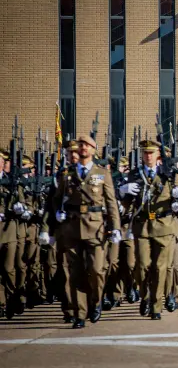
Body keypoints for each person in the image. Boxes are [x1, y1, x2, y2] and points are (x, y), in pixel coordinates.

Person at [51, 135, 121, 329]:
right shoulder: (68, 173)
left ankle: (95, 301)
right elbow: (57, 198)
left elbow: (111, 203)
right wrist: (57, 213)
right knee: (75, 273)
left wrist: (115, 227)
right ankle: (80, 314)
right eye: (80, 145)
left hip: (95, 228)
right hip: (72, 227)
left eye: (87, 146)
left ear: (93, 150)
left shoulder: (102, 173)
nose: (83, 148)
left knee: (96, 270)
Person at [119, 140, 178, 321]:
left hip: (163, 225)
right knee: (141, 266)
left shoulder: (169, 174)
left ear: (158, 154)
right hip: (142, 226)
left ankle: (156, 305)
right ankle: (145, 296)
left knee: (160, 267)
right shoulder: (135, 174)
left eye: (151, 152)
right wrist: (122, 193)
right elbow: (127, 203)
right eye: (145, 153)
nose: (148, 156)